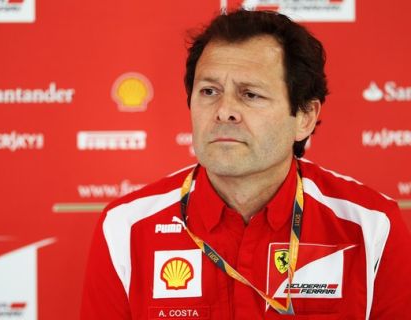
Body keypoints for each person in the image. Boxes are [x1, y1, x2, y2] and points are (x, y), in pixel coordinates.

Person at [80, 9, 411, 319]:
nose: (224, 111)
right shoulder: (126, 228)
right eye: (209, 91)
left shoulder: (370, 226)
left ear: (305, 117)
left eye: (250, 94)